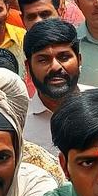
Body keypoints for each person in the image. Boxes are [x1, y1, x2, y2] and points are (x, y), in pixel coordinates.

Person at [23, 18, 90, 154]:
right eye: (43, 60)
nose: (55, 67)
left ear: (79, 59)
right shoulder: (20, 127)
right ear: (28, 67)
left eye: (64, 57)